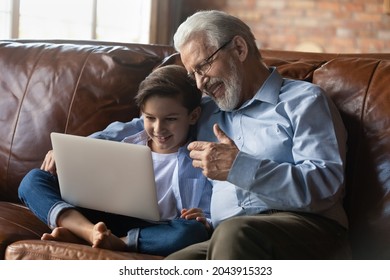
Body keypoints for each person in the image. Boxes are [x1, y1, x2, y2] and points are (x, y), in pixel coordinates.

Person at [80, 10, 351, 259]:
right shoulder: (206, 109)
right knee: (175, 263)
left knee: (234, 234)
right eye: (193, 74)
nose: (199, 83)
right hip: (223, 234)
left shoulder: (303, 101)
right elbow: (146, 125)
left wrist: (240, 167)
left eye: (203, 66)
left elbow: (325, 184)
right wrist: (80, 149)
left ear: (239, 49)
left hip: (306, 226)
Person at [18, 65, 212, 257]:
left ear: (193, 116)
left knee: (193, 232)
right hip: (103, 215)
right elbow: (87, 145)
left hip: (155, 229)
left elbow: (209, 215)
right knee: (32, 180)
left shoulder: (202, 156)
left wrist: (203, 219)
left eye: (170, 119)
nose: (158, 128)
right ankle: (88, 232)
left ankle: (116, 242)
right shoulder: (129, 135)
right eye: (150, 118)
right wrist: (61, 153)